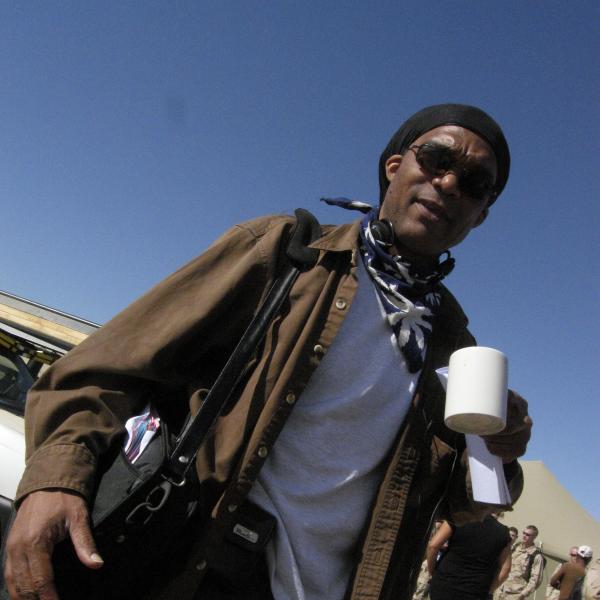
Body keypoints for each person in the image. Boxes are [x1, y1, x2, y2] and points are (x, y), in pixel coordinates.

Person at [3, 104, 532, 600]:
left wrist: (501, 452)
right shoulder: (287, 253)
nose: (448, 183)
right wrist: (55, 479)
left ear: (480, 214)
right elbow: (103, 369)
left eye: (474, 183)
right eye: (437, 159)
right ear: (395, 166)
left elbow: (468, 507)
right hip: (195, 568)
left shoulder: (452, 343)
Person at [427, 514, 512, 600]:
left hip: (444, 584)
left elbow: (433, 546)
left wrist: (433, 572)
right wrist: (489, 590)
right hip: (475, 591)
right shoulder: (503, 533)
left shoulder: (459, 518)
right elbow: (506, 568)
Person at [497, 525, 545, 600]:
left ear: (534, 537)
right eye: (524, 533)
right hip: (501, 590)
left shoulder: (536, 556)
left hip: (515, 595)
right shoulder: (516, 546)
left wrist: (523, 594)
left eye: (528, 535)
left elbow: (536, 580)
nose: (524, 536)